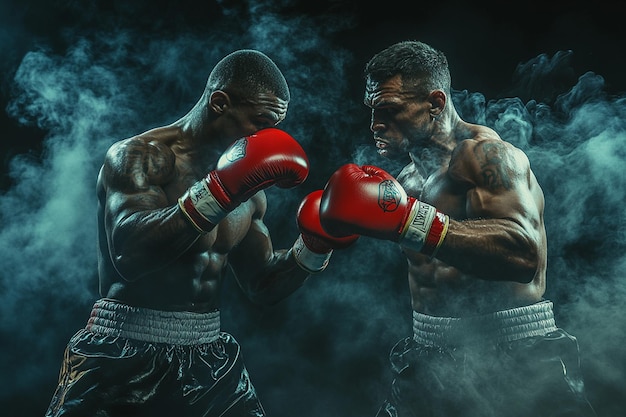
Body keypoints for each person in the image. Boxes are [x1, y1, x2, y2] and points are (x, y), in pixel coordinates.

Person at [44, 49, 356, 417]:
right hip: (122, 350)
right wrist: (218, 192)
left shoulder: (248, 186)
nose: (267, 137)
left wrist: (314, 247)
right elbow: (129, 255)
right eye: (259, 121)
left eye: (274, 126)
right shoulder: (141, 156)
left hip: (208, 357)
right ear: (220, 103)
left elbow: (262, 284)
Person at [318, 41, 597, 417]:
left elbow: (523, 255)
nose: (375, 125)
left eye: (389, 110)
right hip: (428, 353)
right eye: (372, 111)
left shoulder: (488, 155)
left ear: (434, 103)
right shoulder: (406, 179)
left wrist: (407, 222)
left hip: (513, 353)